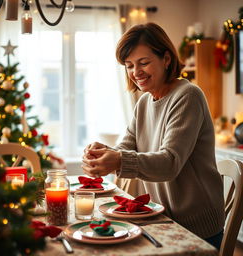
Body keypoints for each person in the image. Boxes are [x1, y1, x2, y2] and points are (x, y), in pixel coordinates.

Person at [82, 22, 225, 249]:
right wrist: (104, 153)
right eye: (129, 66)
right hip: (159, 217)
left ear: (166, 59)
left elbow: (169, 162)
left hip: (193, 225)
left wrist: (118, 160)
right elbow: (125, 147)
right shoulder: (145, 102)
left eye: (144, 63)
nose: (135, 72)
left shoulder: (187, 95)